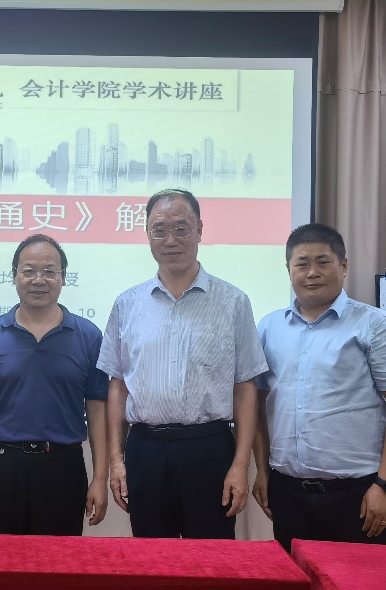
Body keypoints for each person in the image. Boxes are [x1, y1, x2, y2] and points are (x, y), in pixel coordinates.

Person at [97, 189, 268, 539]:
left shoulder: (233, 302)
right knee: (152, 558)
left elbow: (245, 389)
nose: (170, 240)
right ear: (147, 234)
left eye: (181, 228)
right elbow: (118, 385)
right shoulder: (127, 304)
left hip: (209, 449)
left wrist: (240, 465)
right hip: (145, 449)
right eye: (159, 230)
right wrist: (116, 459)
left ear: (200, 230)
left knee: (211, 558)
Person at [251, 223, 386, 552]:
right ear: (288, 270)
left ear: (343, 265)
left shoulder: (375, 325)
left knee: (365, 577)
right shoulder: (270, 327)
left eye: (323, 262)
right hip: (288, 493)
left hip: (359, 494)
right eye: (302, 264)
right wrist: (262, 471)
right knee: (297, 576)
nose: (312, 273)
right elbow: (257, 404)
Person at [0, 234, 109, 535]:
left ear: (63, 278)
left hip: (63, 467)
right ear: (14, 276)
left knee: (58, 560)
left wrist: (100, 479)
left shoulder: (89, 336)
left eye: (49, 271)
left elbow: (97, 412)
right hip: (2, 466)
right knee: (0, 559)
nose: (38, 280)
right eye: (28, 270)